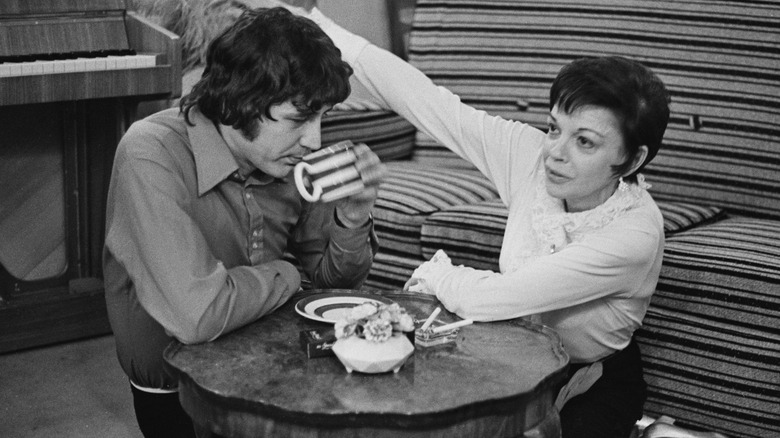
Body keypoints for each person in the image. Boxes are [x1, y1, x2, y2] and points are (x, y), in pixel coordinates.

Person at [278, 3, 670, 437]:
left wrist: (436, 274)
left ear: (631, 159)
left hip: (594, 378)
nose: (555, 151)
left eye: (585, 142)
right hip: (516, 357)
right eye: (555, 128)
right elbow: (430, 103)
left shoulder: (634, 233)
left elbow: (499, 299)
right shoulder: (532, 156)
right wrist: (314, 22)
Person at [102, 7, 385, 438]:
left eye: (321, 117)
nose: (315, 140)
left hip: (270, 363)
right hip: (178, 390)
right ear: (244, 102)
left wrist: (353, 216)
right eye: (299, 118)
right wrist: (286, 275)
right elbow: (198, 316)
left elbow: (331, 290)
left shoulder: (289, 159)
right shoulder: (149, 152)